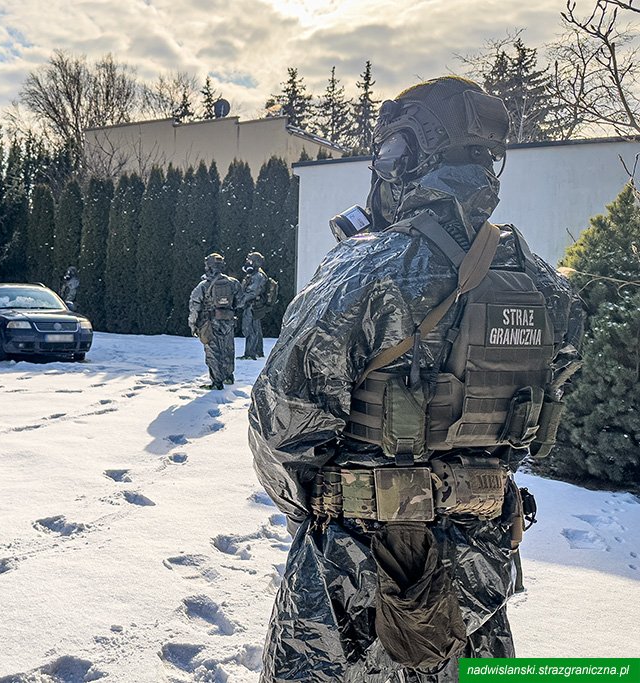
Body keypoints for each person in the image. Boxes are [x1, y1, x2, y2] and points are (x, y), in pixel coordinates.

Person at [248, 77, 585, 682]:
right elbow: (531, 428)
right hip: (479, 572)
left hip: (353, 578)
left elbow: (281, 427)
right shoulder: (547, 289)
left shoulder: (364, 268)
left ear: (403, 154)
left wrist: (323, 508)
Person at [188, 253, 241, 390]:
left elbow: (194, 306)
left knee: (213, 352)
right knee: (228, 349)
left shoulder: (203, 286)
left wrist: (192, 324)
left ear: (209, 267)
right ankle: (229, 377)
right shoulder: (233, 283)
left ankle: (217, 383)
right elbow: (240, 302)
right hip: (228, 322)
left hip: (210, 323)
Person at [237, 251, 269, 360]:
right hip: (253, 305)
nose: (247, 262)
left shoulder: (258, 276)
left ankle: (250, 353)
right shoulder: (254, 275)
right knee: (255, 328)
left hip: (252, 305)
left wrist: (240, 302)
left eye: (249, 260)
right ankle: (258, 352)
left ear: (255, 262)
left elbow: (252, 292)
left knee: (249, 329)